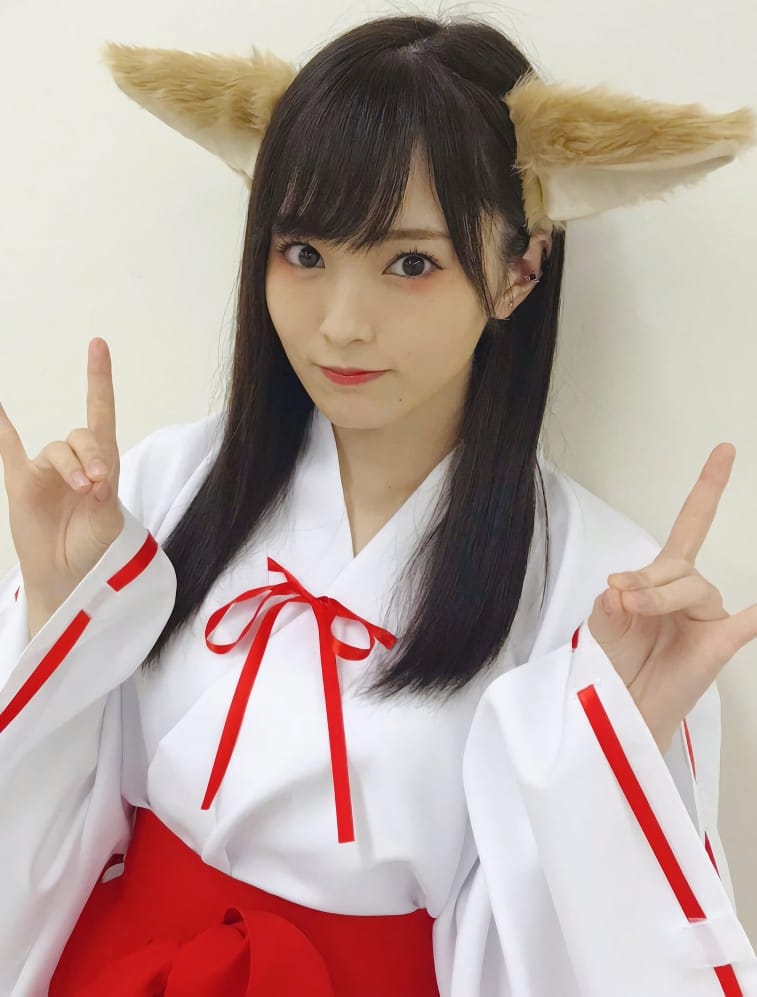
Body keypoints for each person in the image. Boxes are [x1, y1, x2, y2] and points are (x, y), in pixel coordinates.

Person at [0, 11, 756, 997]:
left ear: (518, 271)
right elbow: (48, 819)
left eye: (409, 263)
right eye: (303, 253)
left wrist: (605, 765)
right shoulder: (164, 486)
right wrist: (60, 611)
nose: (341, 324)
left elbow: (576, 945)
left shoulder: (603, 595)